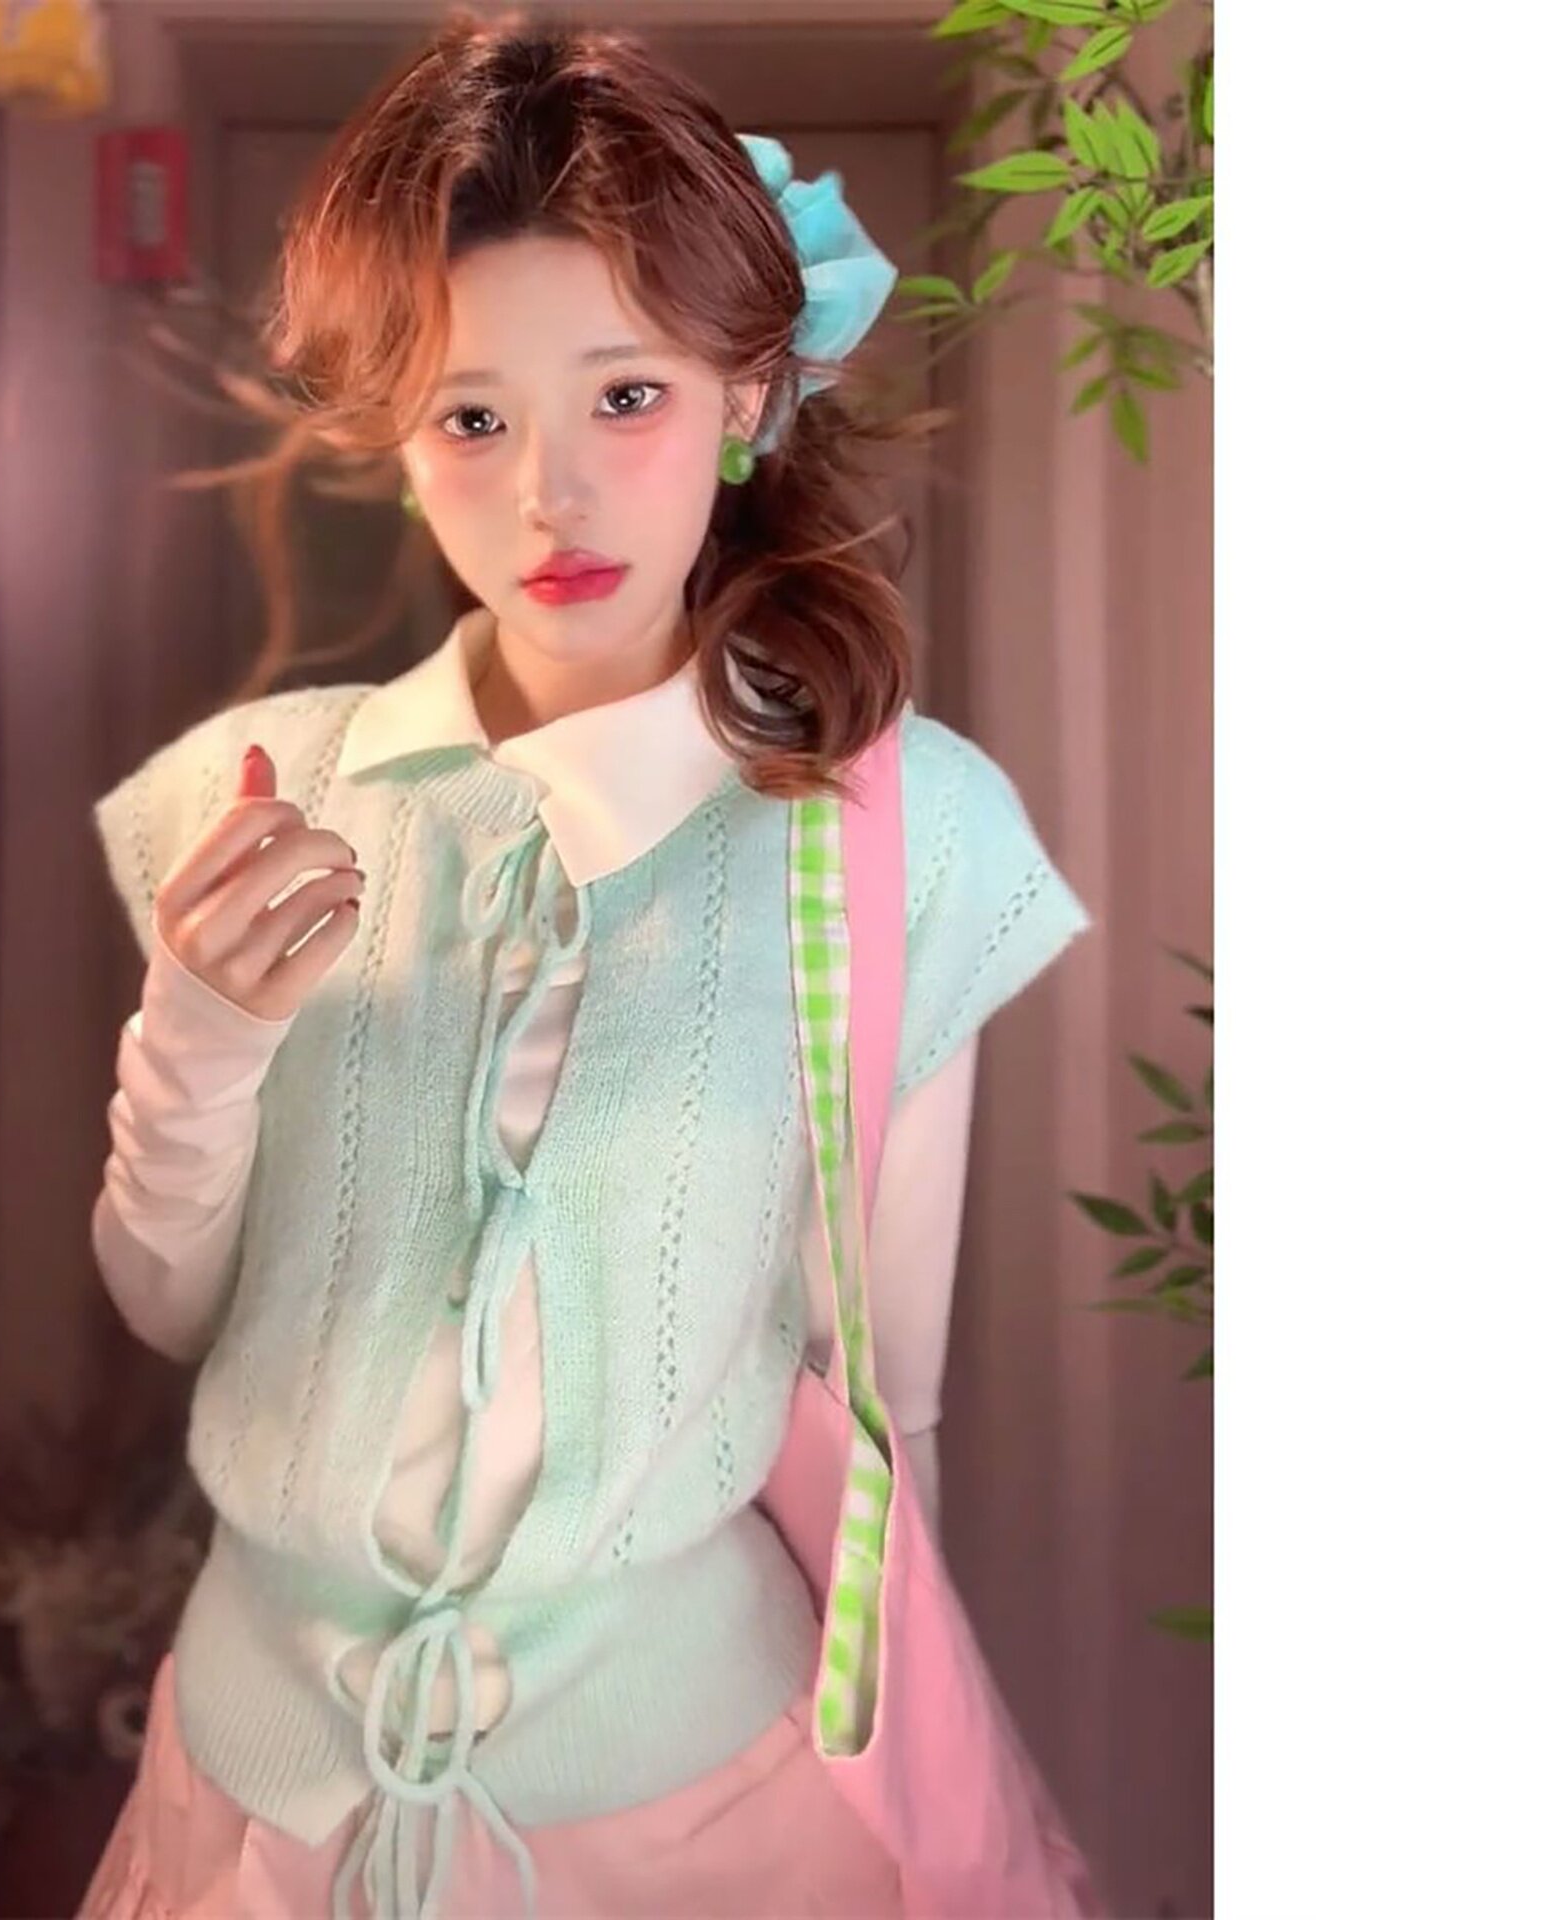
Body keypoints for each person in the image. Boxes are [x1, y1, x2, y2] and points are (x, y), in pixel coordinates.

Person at [79, 10, 1091, 1917]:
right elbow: (166, 1304)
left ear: (748, 396)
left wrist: (912, 1770)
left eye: (625, 395)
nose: (551, 493)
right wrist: (199, 1042)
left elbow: (891, 1392)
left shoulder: (910, 837)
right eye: (474, 418)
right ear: (401, 444)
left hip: (709, 1803)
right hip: (261, 1804)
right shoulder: (245, 795)